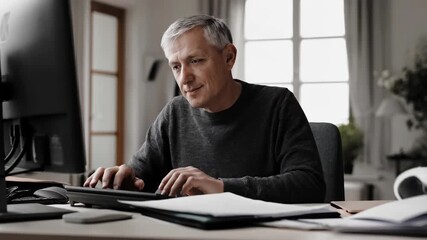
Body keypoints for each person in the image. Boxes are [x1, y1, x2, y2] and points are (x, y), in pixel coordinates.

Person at [84, 15, 325, 203]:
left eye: (195, 61)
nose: (184, 78)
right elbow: (141, 176)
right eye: (176, 66)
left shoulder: (277, 104)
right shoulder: (174, 112)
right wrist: (121, 180)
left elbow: (309, 185)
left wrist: (221, 187)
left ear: (229, 58)